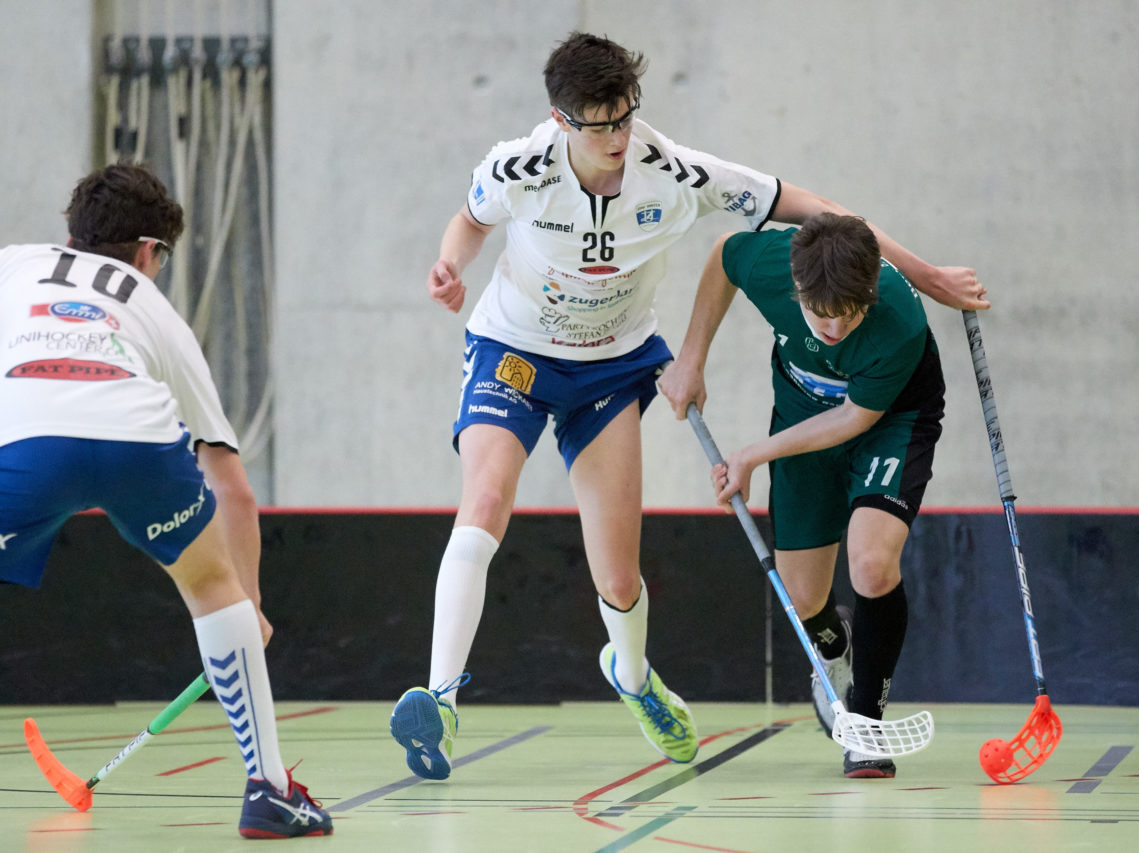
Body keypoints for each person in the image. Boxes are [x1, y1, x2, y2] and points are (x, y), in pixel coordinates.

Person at [390, 31, 986, 780]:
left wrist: (925, 274)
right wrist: (449, 266)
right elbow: (471, 222)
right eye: (599, 124)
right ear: (560, 119)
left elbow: (820, 210)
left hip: (612, 366)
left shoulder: (673, 172)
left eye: (626, 117)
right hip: (514, 351)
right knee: (485, 497)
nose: (618, 137)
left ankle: (635, 676)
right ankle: (440, 700)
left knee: (616, 578)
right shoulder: (517, 167)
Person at [0, 163, 333, 838]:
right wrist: (250, 602)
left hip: (26, 442)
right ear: (150, 252)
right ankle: (269, 791)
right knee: (211, 586)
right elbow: (230, 483)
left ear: (71, 233)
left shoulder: (13, 265)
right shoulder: (157, 311)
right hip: (136, 441)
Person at [659, 213, 966, 778]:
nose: (833, 329)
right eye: (820, 315)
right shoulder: (772, 265)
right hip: (802, 416)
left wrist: (754, 454)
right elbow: (726, 253)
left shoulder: (897, 318)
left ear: (869, 292)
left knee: (872, 566)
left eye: (849, 315)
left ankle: (867, 727)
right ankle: (835, 641)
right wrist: (691, 359)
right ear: (795, 288)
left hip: (890, 422)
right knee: (804, 601)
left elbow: (855, 416)